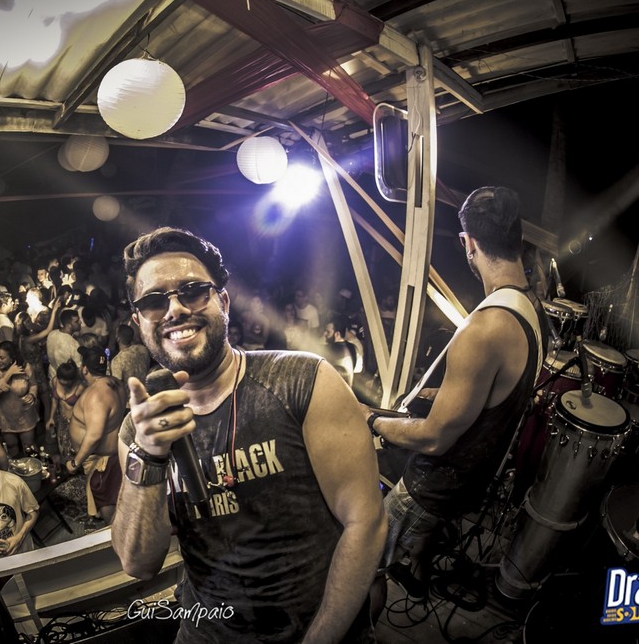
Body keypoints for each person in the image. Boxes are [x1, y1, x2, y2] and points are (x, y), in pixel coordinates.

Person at [111, 227, 386, 643]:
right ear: (139, 322)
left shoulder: (303, 380)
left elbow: (365, 522)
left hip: (315, 626)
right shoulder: (137, 430)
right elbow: (137, 563)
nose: (175, 310)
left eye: (192, 292)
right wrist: (148, 455)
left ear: (222, 301)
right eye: (154, 301)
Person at [369, 187, 545, 600]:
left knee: (365, 572)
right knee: (411, 549)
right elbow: (499, 392)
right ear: (519, 239)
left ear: (468, 243)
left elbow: (434, 438)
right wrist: (445, 392)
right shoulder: (531, 307)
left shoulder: (485, 328)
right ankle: (417, 572)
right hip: (471, 481)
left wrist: (371, 418)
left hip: (432, 487)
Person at [66, 348, 126, 524]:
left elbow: (94, 436)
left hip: (103, 461)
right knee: (113, 496)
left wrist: (75, 462)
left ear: (84, 369)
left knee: (107, 502)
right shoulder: (116, 383)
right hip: (113, 453)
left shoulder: (96, 395)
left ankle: (116, 535)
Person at [0, 341, 39, 458]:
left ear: (12, 358)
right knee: (11, 446)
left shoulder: (25, 367)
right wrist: (9, 373)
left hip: (24, 414)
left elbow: (34, 384)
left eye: (2, 358)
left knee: (29, 447)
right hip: (5, 416)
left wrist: (32, 395)